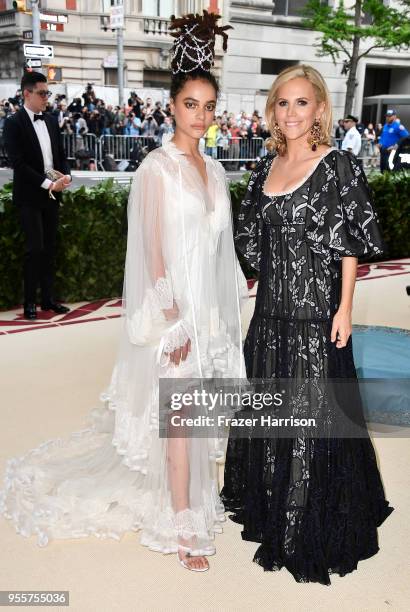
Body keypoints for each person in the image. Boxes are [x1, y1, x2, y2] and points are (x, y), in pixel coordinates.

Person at [0, 11, 246, 574]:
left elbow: (219, 251)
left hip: (207, 312)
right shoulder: (156, 169)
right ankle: (182, 520)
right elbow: (153, 248)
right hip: (171, 312)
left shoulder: (213, 171)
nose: (201, 117)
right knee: (180, 416)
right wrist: (174, 317)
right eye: (191, 105)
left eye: (209, 107)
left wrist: (223, 311)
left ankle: (190, 503)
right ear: (172, 106)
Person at [221, 64, 393, 585]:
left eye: (301, 102)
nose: (291, 113)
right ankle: (276, 510)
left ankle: (305, 525)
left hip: (318, 316)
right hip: (270, 317)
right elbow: (251, 244)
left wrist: (344, 308)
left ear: (319, 108)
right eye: (282, 103)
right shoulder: (263, 169)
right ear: (272, 111)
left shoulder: (337, 164)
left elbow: (347, 246)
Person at [3, 71, 71, 320]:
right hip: (30, 196)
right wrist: (47, 184)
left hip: (53, 195)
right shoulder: (13, 123)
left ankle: (48, 299)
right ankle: (30, 302)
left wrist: (67, 177)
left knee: (50, 248)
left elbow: (61, 155)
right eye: (42, 93)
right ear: (27, 94)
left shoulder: (51, 120)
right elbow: (18, 164)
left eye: (48, 93)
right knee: (35, 249)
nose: (47, 98)